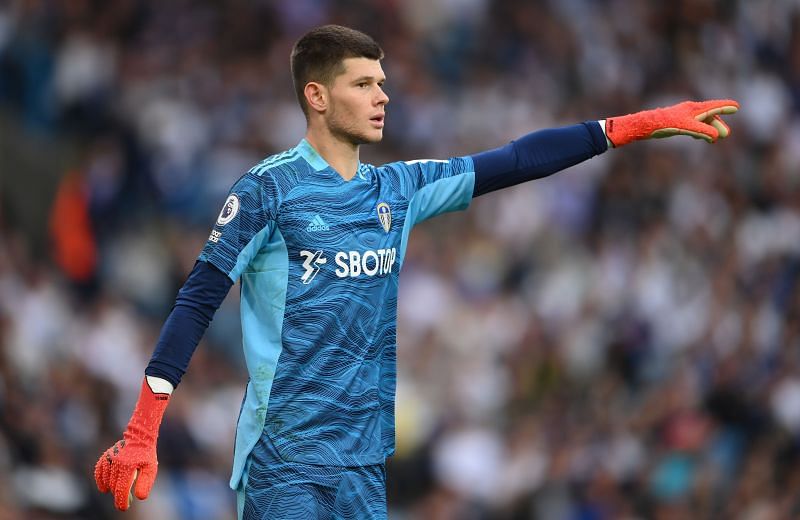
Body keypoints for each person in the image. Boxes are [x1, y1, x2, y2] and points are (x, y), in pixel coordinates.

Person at [93, 24, 739, 519]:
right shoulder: (268, 191)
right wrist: (143, 427)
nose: (384, 96)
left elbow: (513, 161)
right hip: (285, 461)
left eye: (383, 82)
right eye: (364, 84)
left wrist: (633, 126)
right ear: (316, 96)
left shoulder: (398, 191)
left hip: (365, 463)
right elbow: (198, 298)